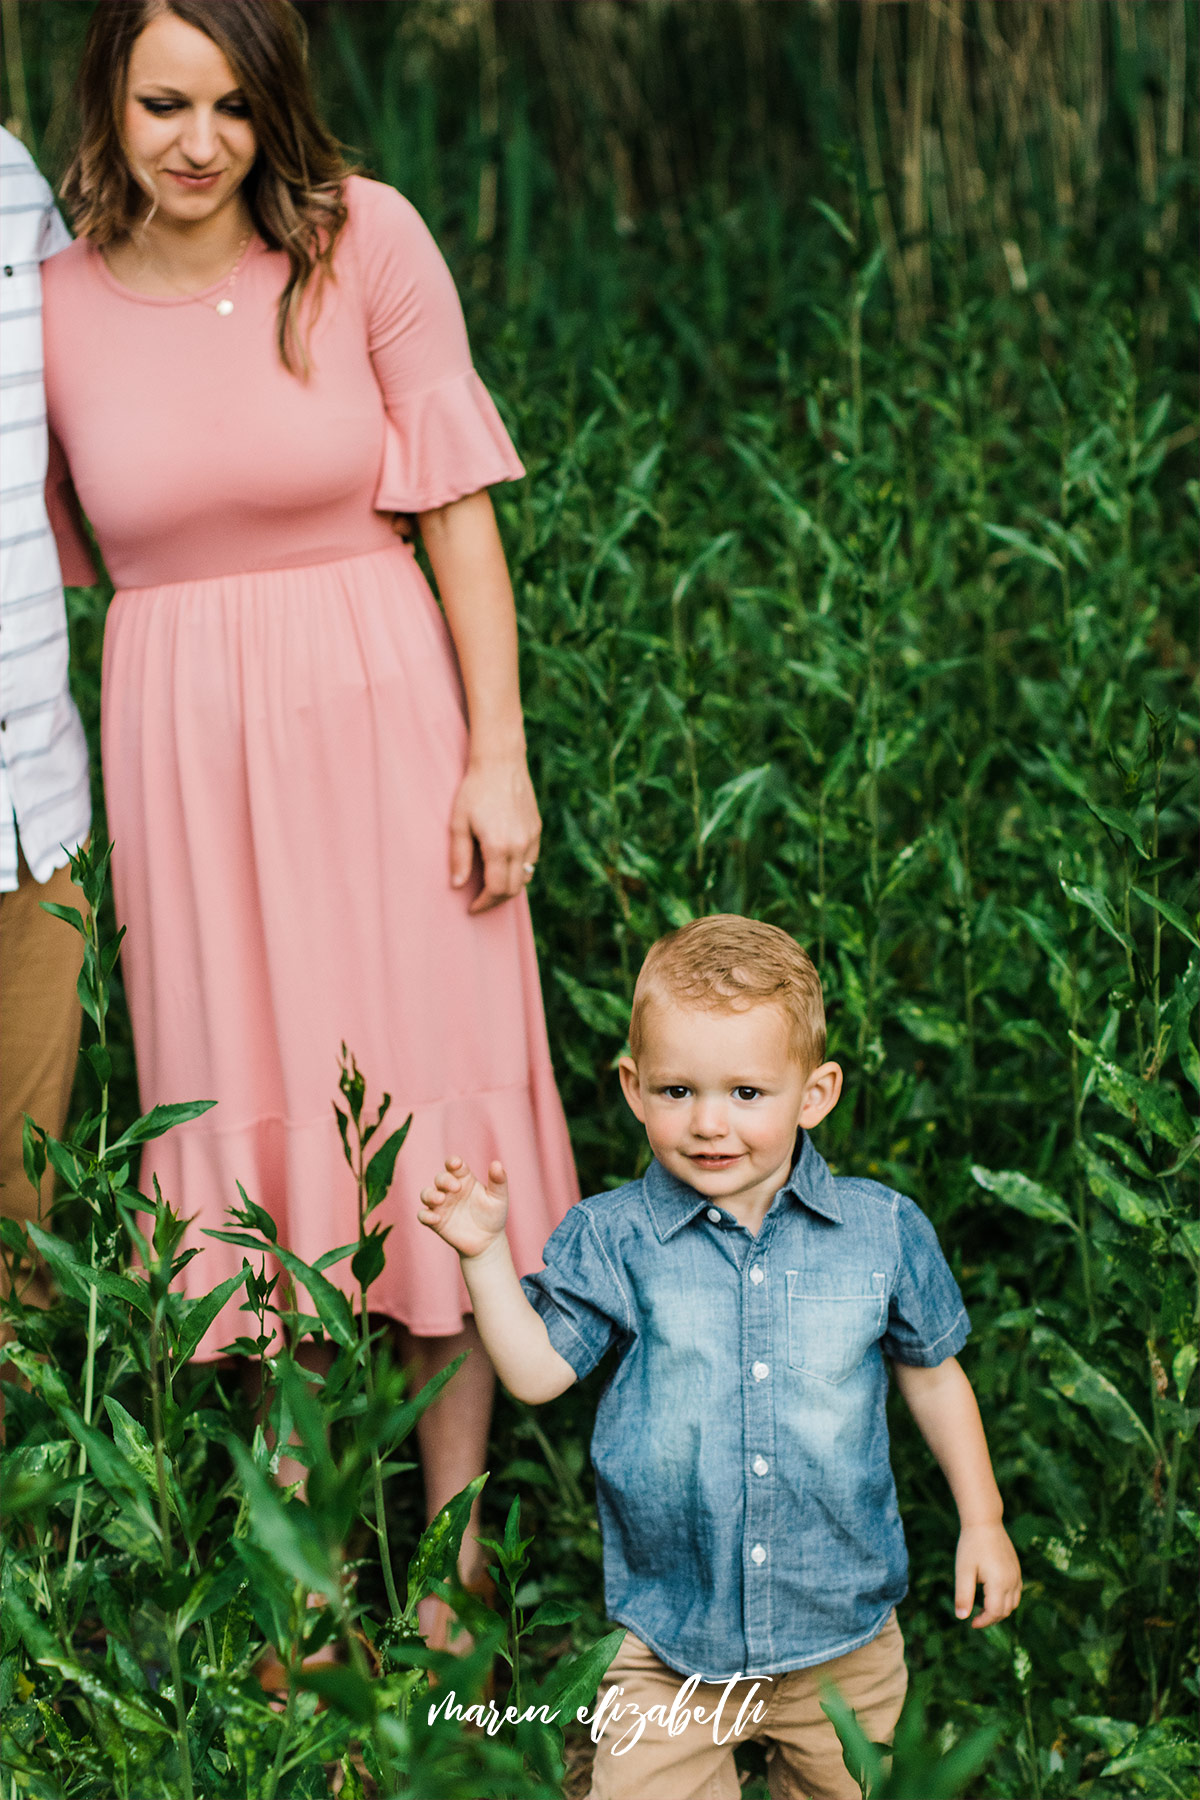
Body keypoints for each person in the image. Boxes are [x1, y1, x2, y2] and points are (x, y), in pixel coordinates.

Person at [40, 0, 578, 1636]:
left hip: (385, 713)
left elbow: (461, 512)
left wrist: (500, 752)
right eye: (161, 102)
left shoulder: (371, 241)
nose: (197, 141)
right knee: (249, 1101)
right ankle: (299, 1558)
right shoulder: (44, 305)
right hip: (182, 749)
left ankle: (457, 1554)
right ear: (107, 103)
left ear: (276, 111)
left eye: (231, 105)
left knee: (425, 1092)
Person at [420, 914, 1022, 1800]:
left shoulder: (880, 1231)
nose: (709, 1123)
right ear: (633, 1086)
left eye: (746, 1093)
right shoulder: (614, 1237)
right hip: (668, 1642)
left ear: (814, 1094)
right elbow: (537, 1373)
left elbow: (933, 1377)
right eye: (676, 1091)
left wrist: (983, 1519)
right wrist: (482, 1259)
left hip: (842, 1641)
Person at [0, 126, 92, 1315]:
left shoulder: (4, 176)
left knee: (25, 1214)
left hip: (37, 796)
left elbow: (97, 402)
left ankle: (26, 1506)